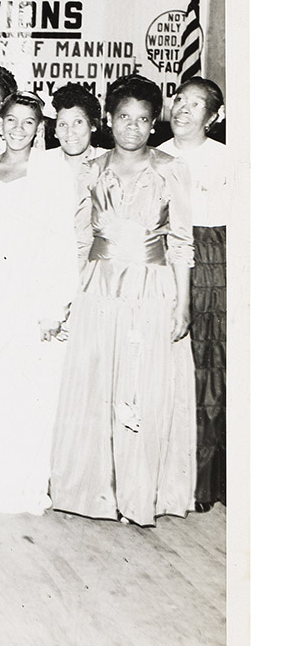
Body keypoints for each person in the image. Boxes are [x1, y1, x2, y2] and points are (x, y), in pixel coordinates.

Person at [49, 74, 197, 527]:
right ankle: (93, 491)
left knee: (142, 388)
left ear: (155, 125)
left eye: (143, 120)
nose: (132, 127)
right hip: (99, 289)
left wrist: (183, 304)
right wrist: (69, 297)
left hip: (152, 291)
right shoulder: (91, 171)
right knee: (98, 386)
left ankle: (139, 493)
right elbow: (78, 240)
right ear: (108, 121)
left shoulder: (171, 168)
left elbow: (182, 242)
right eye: (124, 117)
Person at [0, 91, 78, 514]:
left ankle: (18, 485)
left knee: (25, 391)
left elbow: (61, 244)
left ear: (39, 128)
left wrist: (53, 307)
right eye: (12, 121)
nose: (19, 129)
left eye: (28, 123)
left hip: (30, 293)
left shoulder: (52, 173)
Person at [156, 76, 229, 513]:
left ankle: (207, 482)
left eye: (196, 104)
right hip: (161, 261)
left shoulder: (228, 161)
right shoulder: (154, 155)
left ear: (213, 117)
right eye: (179, 99)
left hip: (212, 262)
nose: (182, 109)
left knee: (209, 365)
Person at [52, 83, 106, 187]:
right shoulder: (43, 163)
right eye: (63, 124)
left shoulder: (109, 161)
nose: (70, 132)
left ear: (93, 125)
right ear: (55, 131)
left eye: (78, 122)